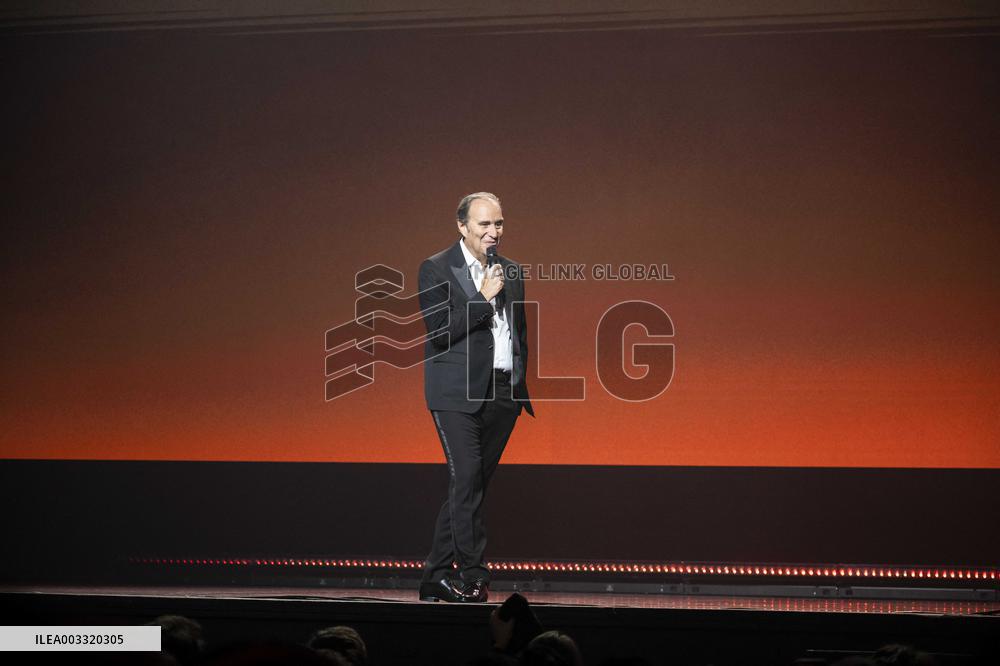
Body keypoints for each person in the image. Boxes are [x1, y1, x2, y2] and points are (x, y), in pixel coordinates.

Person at [417, 192, 534, 603]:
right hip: (455, 394)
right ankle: (473, 575)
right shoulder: (436, 268)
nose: (493, 232)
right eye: (484, 224)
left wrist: (519, 384)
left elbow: (517, 333)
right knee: (465, 479)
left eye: (498, 224)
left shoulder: (512, 270)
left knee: (470, 487)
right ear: (462, 227)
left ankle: (433, 576)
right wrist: (481, 298)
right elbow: (439, 331)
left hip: (502, 393)